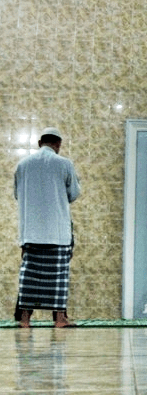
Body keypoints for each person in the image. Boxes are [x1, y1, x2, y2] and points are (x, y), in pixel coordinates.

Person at [14, 127, 81, 328]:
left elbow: (17, 195)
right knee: (59, 277)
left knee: (29, 277)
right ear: (58, 144)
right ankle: (60, 320)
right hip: (58, 233)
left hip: (30, 233)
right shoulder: (64, 163)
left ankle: (25, 320)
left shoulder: (22, 164)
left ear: (39, 143)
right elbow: (74, 194)